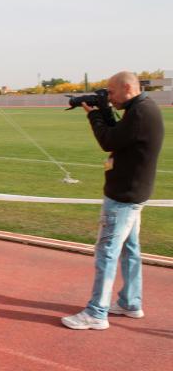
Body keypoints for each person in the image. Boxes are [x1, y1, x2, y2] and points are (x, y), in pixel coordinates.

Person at [61, 71, 164, 330]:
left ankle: (96, 313)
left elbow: (108, 141)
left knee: (106, 254)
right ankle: (130, 302)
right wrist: (106, 110)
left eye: (112, 92)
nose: (108, 96)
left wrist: (93, 114)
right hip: (133, 193)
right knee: (130, 251)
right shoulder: (143, 107)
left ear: (128, 88)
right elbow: (120, 135)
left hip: (123, 197)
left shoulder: (139, 112)